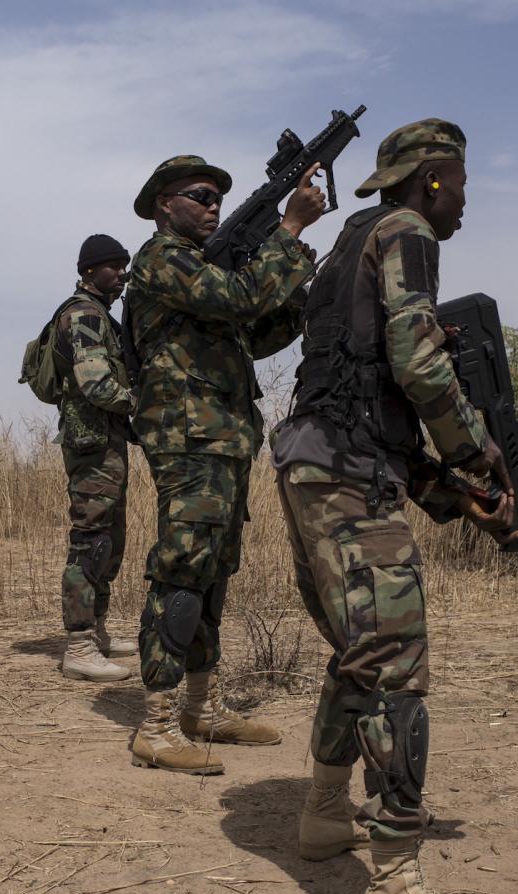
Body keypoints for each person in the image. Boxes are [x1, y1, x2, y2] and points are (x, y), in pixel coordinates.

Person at [272, 120, 517, 894]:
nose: (464, 203)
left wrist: (445, 489)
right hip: (342, 470)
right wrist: (478, 460)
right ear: (434, 179)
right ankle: (399, 888)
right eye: (460, 184)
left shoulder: (348, 239)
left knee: (359, 650)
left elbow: (362, 392)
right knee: (396, 667)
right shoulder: (408, 228)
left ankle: (323, 816)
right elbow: (416, 363)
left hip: (317, 461)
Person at [124, 155, 325, 775]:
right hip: (189, 439)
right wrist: (287, 233)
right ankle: (155, 725)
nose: (212, 206)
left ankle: (199, 707)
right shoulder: (159, 259)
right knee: (183, 570)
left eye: (217, 198)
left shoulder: (202, 269)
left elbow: (256, 332)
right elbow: (239, 298)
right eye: (201, 195)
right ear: (164, 203)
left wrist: (297, 279)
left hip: (225, 439)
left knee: (212, 571)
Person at [54, 235, 139, 683]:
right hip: (92, 443)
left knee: (110, 538)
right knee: (91, 541)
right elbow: (96, 384)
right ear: (89, 271)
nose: (121, 273)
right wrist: (142, 405)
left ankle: (97, 631)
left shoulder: (101, 314)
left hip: (104, 439)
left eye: (124, 265)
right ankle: (79, 645)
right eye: (112, 266)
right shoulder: (85, 314)